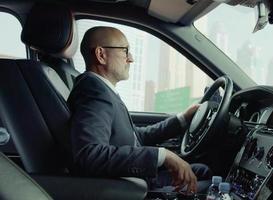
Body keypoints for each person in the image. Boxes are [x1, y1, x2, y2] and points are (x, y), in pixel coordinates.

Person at [67, 26, 212, 193]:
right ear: (101, 55)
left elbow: (136, 136)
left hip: (132, 177)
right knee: (208, 185)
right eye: (125, 50)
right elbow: (89, 155)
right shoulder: (93, 92)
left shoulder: (101, 89)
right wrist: (161, 156)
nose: (131, 58)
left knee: (201, 171)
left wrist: (182, 119)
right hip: (128, 186)